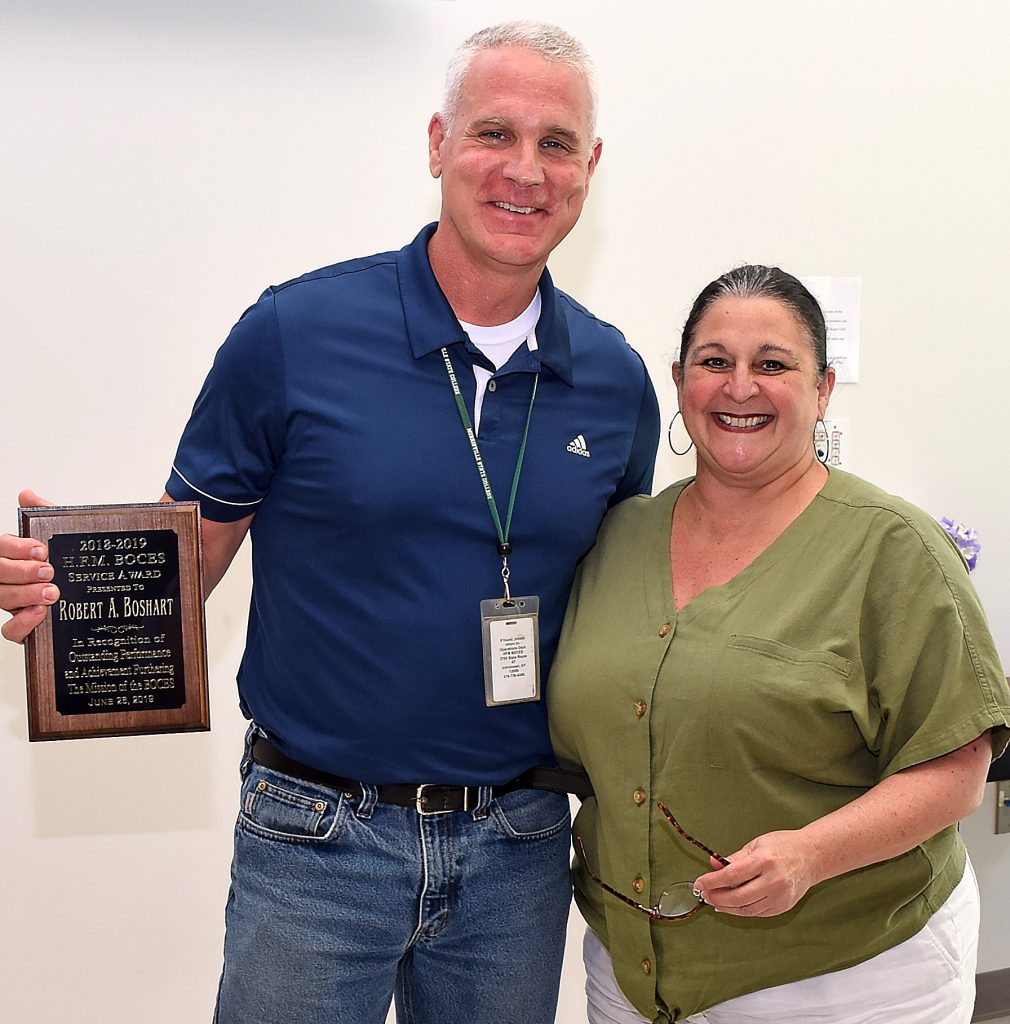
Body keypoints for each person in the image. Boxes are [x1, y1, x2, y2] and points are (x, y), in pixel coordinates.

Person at [0, 22, 659, 1024]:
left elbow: (627, 605)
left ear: (590, 166)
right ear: (437, 144)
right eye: (493, 133)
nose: (524, 169)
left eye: (555, 142)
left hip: (518, 845)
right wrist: (68, 594)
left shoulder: (613, 381)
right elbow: (189, 557)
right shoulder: (291, 335)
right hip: (316, 837)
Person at [547, 265, 1010, 1024]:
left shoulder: (892, 549)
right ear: (679, 380)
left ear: (823, 389)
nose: (740, 386)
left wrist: (810, 854)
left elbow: (959, 767)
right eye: (714, 361)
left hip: (848, 977)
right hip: (633, 976)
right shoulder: (617, 537)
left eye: (773, 364)